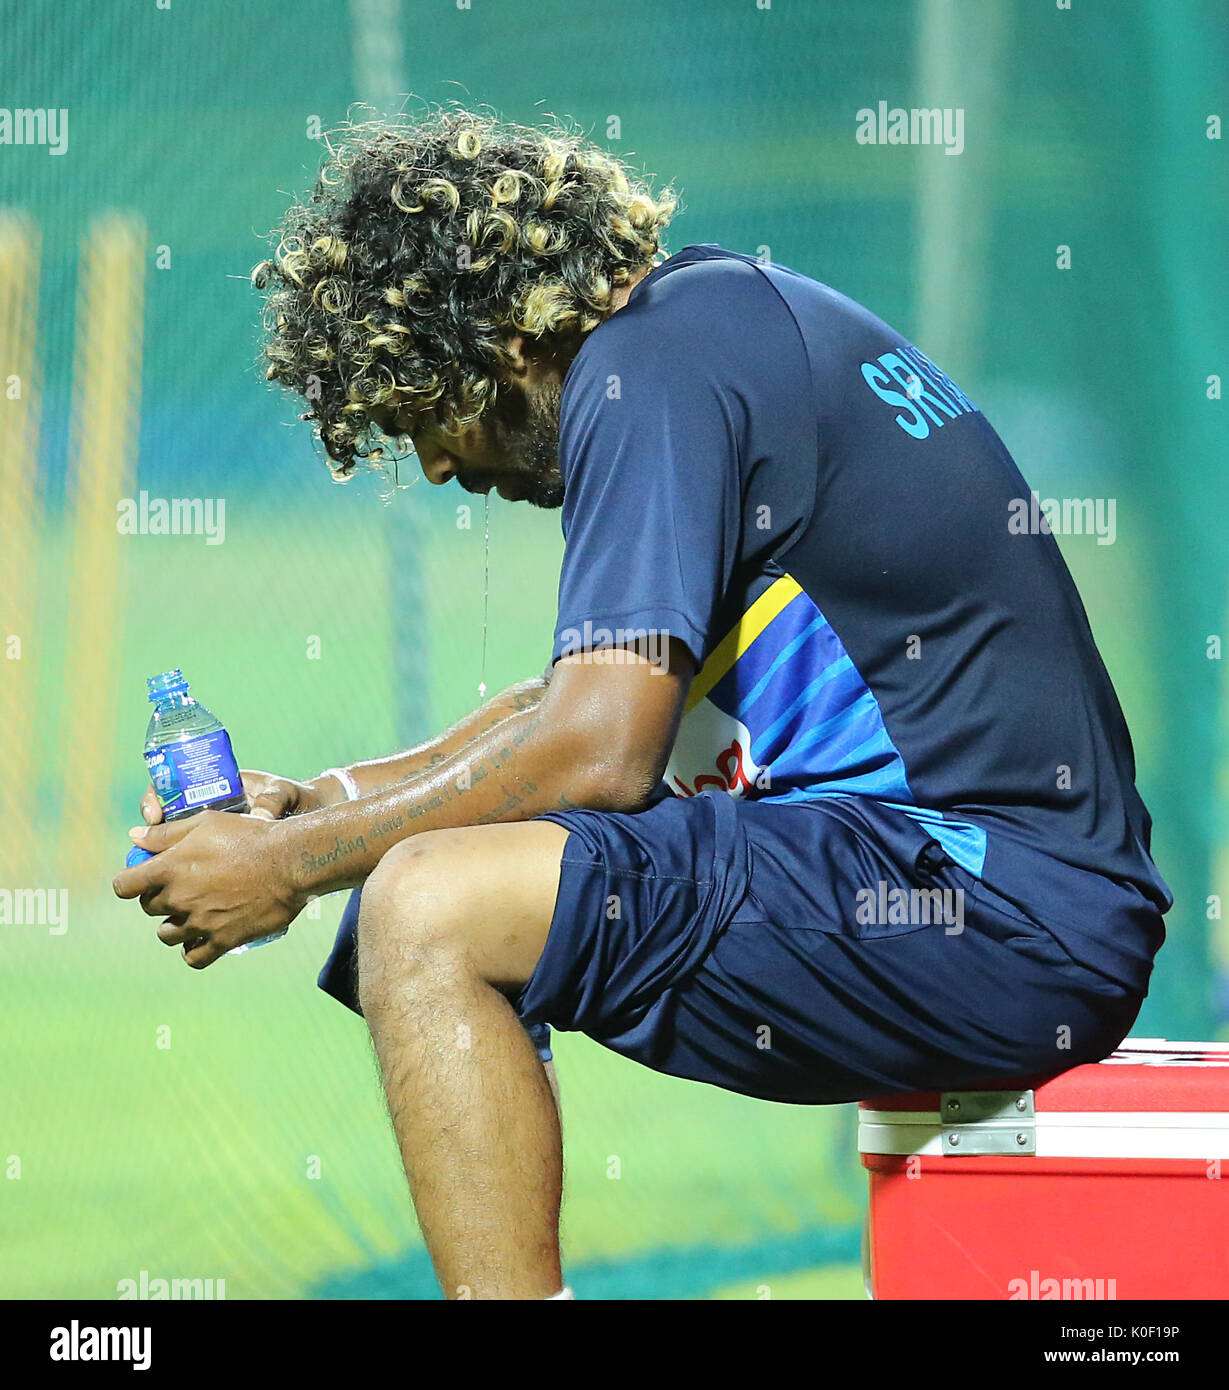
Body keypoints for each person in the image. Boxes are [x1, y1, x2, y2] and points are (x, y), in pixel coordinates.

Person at [114, 108, 1171, 1300]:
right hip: (1006, 896)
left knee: (428, 907)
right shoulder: (705, 325)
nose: (444, 468)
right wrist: (330, 798)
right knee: (434, 883)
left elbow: (601, 750)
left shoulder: (649, 368)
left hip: (987, 905)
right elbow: (576, 705)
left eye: (425, 420)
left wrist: (295, 864)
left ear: (499, 343)